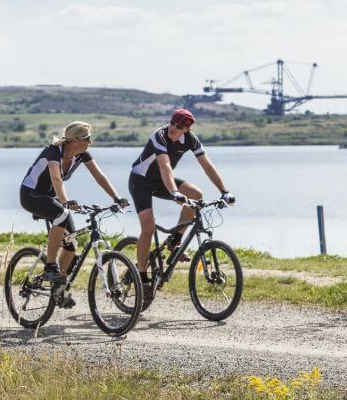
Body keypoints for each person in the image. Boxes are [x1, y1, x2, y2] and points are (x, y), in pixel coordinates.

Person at [19, 122, 129, 290]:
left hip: (51, 197)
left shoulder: (82, 154)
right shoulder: (53, 151)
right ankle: (50, 266)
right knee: (61, 213)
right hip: (31, 195)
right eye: (88, 138)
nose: (91, 142)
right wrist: (65, 202)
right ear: (76, 140)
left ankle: (59, 288)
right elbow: (56, 179)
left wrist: (117, 197)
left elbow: (100, 177)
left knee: (71, 245)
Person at [128, 108, 235, 276]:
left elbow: (207, 165)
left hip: (162, 181)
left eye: (178, 126)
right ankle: (142, 277)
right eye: (172, 123)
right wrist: (173, 192)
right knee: (148, 226)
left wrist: (224, 191)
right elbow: (165, 166)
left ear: (186, 129)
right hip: (140, 182)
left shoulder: (190, 139)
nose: (173, 127)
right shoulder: (159, 135)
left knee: (196, 195)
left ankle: (175, 240)